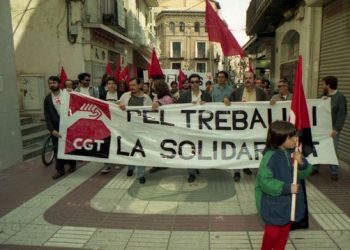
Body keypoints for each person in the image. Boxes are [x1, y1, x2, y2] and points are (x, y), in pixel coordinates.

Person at [255, 120, 312, 250]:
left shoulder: (291, 152)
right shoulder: (270, 157)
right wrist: (286, 188)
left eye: (295, 135)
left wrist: (301, 162)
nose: (296, 139)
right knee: (272, 234)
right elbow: (265, 181)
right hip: (273, 206)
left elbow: (303, 174)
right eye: (291, 137)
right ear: (279, 139)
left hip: (289, 204)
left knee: (284, 234)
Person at [224, 71, 267, 182]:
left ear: (254, 79)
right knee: (239, 147)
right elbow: (227, 100)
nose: (248, 80)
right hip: (240, 126)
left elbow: (269, 105)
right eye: (246, 78)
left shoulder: (261, 93)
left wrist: (272, 102)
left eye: (250, 78)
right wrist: (226, 100)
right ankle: (237, 172)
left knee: (253, 147)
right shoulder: (237, 92)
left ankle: (249, 166)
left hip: (256, 126)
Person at [178, 73, 212, 183]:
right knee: (189, 149)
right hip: (188, 128)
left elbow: (213, 111)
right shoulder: (184, 96)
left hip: (202, 128)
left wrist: (207, 105)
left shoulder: (207, 95)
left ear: (200, 82)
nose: (194, 84)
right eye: (192, 82)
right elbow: (176, 110)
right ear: (189, 83)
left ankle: (197, 165)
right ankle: (191, 172)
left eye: (197, 82)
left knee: (200, 149)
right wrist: (186, 106)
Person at [312, 76, 347, 180]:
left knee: (332, 149)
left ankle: (334, 170)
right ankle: (315, 167)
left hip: (332, 129)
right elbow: (315, 110)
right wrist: (321, 102)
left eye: (323, 84)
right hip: (321, 128)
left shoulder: (340, 97)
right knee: (317, 147)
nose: (323, 86)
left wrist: (336, 129)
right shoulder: (323, 96)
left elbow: (342, 114)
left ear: (328, 85)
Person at [118, 77, 152, 184]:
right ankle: (130, 167)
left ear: (140, 85)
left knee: (140, 151)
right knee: (130, 149)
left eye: (134, 85)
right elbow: (117, 104)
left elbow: (151, 112)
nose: (131, 87)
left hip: (142, 129)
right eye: (130, 85)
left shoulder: (146, 98)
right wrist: (120, 105)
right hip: (128, 128)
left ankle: (141, 174)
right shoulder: (125, 96)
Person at [43, 76, 77, 179]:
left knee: (70, 148)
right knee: (57, 149)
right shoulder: (48, 99)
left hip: (69, 127)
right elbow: (47, 116)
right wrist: (52, 130)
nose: (51, 85)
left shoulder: (67, 94)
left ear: (59, 83)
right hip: (56, 129)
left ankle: (72, 164)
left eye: (54, 82)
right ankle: (60, 169)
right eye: (50, 83)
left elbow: (76, 107)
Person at [149, 79, 174, 174]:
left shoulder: (167, 98)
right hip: (157, 125)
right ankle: (158, 163)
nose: (152, 87)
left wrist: (160, 105)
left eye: (154, 86)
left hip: (165, 125)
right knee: (157, 143)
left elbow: (171, 112)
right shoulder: (156, 97)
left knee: (163, 143)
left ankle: (163, 163)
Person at [100, 76, 119, 174]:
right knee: (106, 143)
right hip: (106, 123)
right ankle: (107, 165)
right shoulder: (103, 95)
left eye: (113, 83)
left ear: (116, 85)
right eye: (109, 83)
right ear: (106, 85)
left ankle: (116, 160)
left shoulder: (120, 94)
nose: (111, 85)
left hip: (118, 123)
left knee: (116, 142)